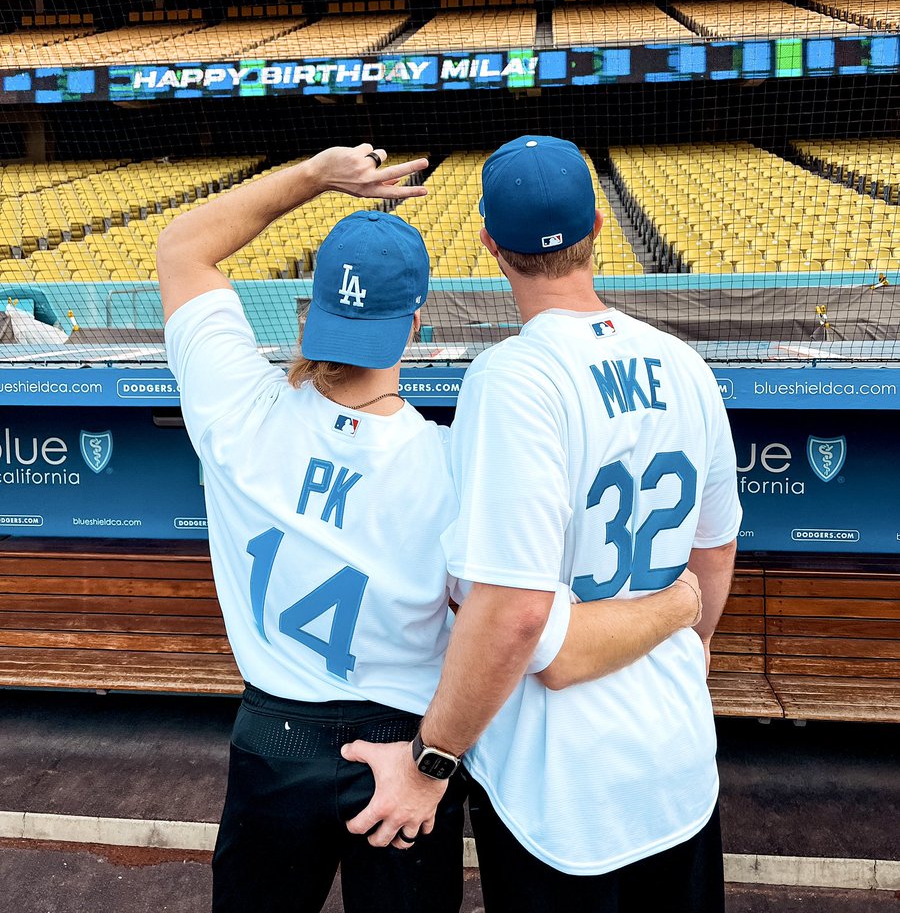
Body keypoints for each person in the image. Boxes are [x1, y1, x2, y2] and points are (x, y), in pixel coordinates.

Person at [157, 142, 705, 912]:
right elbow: (515, 620)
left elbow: (183, 247)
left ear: (308, 312)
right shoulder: (457, 462)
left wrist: (317, 176)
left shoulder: (236, 408)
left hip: (272, 743)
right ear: (414, 326)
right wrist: (683, 608)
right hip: (404, 751)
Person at [344, 135, 741, 913]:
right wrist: (680, 639)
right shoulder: (685, 363)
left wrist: (431, 763)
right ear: (599, 224)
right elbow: (715, 549)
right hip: (679, 756)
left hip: (563, 790)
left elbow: (519, 615)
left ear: (491, 243)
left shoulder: (514, 375)